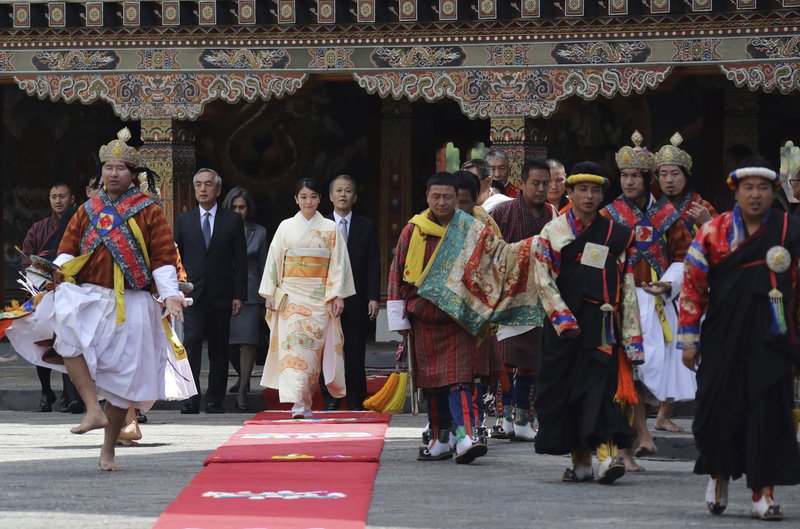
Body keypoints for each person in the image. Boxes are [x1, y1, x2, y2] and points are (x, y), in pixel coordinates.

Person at [7, 127, 189, 471]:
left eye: (121, 168)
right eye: (108, 167)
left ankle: (108, 448)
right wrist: (55, 273)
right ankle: (92, 407)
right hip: (92, 296)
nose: (114, 173)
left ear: (133, 175)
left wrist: (171, 295)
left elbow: (163, 256)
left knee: (123, 378)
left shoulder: (148, 210)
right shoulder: (89, 209)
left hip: (133, 301)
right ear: (101, 172)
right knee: (67, 340)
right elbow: (67, 249)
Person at [678, 157, 800, 519]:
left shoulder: (789, 231)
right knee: (717, 410)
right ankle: (718, 476)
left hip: (772, 337)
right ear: (736, 191)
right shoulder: (714, 231)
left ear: (773, 191)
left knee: (769, 415)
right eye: (748, 187)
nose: (756, 194)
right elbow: (693, 286)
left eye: (763, 187)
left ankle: (763, 494)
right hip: (722, 336)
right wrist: (688, 338)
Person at [533, 162, 643, 484]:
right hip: (564, 328)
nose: (589, 196)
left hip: (602, 326)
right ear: (569, 191)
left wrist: (632, 334)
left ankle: (607, 458)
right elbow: (543, 280)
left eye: (596, 190)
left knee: (602, 390)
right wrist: (562, 318)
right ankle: (580, 460)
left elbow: (626, 285)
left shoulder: (616, 234)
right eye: (582, 189)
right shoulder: (552, 234)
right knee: (567, 394)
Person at [600, 131, 695, 471]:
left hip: (655, 304)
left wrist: (668, 283)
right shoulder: (609, 216)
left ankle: (637, 440)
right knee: (626, 373)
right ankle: (634, 443)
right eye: (623, 175)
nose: (628, 181)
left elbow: (686, 256)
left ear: (646, 179)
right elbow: (597, 258)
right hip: (621, 303)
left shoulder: (668, 216)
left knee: (645, 372)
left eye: (634, 176)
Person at [387, 172, 488, 464]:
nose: (442, 202)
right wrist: (399, 321)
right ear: (427, 197)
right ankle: (440, 438)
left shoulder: (470, 228)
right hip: (423, 316)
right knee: (431, 383)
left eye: (448, 197)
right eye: (436, 197)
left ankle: (465, 436)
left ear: (458, 199)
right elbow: (397, 272)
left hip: (458, 317)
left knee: (460, 379)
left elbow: (486, 269)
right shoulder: (413, 230)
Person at [259, 178, 355, 419]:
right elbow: (274, 261)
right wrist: (270, 292)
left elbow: (338, 264)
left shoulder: (330, 228)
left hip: (318, 297)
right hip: (291, 296)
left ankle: (306, 400)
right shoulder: (285, 227)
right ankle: (298, 405)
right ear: (296, 199)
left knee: (311, 353)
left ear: (320, 199)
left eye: (313, 196)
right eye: (303, 197)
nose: (308, 201)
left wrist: (337, 295)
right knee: (292, 349)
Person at [652, 132, 718, 432]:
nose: (668, 180)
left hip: (699, 288)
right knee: (667, 352)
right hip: (662, 289)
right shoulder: (651, 209)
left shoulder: (700, 206)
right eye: (663, 173)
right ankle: (661, 413)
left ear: (686, 176)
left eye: (674, 173)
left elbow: (724, 244)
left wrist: (706, 223)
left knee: (700, 349)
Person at [489, 159, 558, 442]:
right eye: (536, 183)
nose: (542, 189)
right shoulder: (502, 212)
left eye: (547, 184)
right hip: (506, 294)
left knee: (531, 357)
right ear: (522, 184)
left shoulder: (552, 214)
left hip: (538, 294)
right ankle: (503, 417)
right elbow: (490, 251)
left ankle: (523, 416)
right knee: (504, 358)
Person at [174, 168, 247, 414]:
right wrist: (176, 290)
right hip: (192, 293)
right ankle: (191, 398)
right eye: (198, 185)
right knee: (191, 342)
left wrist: (239, 294)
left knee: (218, 348)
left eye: (208, 184)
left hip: (222, 293)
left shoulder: (232, 220)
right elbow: (176, 258)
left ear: (218, 189)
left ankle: (215, 400)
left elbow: (240, 260)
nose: (203, 189)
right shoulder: (184, 220)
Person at [322, 175, 380, 411]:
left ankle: (357, 399)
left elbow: (373, 263)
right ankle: (331, 398)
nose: (343, 195)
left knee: (355, 352)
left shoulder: (366, 226)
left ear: (355, 197)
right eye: (339, 190)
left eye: (348, 191)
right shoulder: (321, 225)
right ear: (330, 196)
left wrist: (374, 297)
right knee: (329, 353)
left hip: (357, 298)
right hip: (326, 299)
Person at [20, 182, 79, 413]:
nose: (58, 200)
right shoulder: (39, 228)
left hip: (70, 290)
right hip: (42, 291)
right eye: (54, 196)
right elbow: (26, 258)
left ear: (72, 199)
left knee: (66, 341)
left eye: (62, 196)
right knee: (43, 341)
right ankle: (46, 391)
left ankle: (70, 394)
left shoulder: (78, 225)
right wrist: (39, 274)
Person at [453, 170, 503, 439]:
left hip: (478, 305)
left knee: (476, 368)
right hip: (443, 307)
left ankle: (476, 421)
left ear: (477, 199)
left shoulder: (486, 224)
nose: (458, 207)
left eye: (464, 201)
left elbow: (497, 263)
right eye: (454, 200)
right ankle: (445, 423)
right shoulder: (432, 221)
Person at [221, 187, 267, 412]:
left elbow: (265, 266)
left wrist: (266, 299)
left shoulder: (259, 232)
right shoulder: (219, 229)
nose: (238, 211)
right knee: (228, 342)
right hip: (224, 291)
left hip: (250, 293)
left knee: (248, 342)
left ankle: (242, 393)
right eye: (234, 207)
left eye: (243, 207)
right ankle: (243, 377)